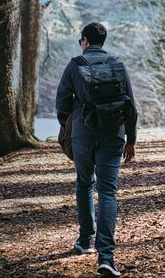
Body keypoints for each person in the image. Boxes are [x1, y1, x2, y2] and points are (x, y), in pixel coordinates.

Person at [56, 22, 137, 277]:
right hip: (114, 134)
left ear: (85, 41)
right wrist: (131, 140)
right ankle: (106, 257)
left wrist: (70, 127)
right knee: (108, 192)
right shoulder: (117, 64)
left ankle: (85, 241)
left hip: (83, 134)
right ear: (103, 41)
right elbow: (131, 106)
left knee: (84, 184)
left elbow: (61, 104)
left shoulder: (75, 65)